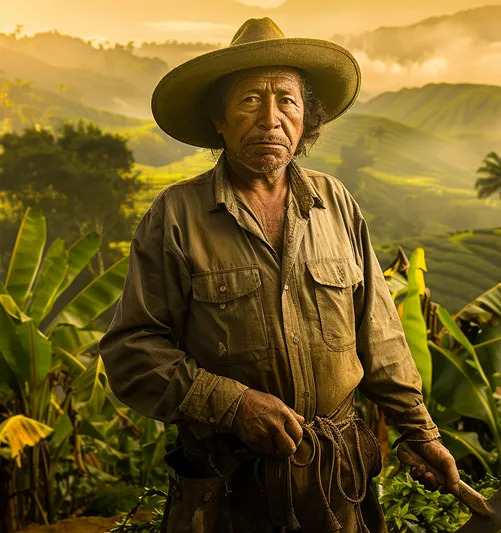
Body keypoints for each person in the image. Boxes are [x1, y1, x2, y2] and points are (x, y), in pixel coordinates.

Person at [98, 17, 459, 533]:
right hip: (227, 495)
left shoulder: (336, 204)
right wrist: (234, 404)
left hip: (337, 490)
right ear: (218, 118)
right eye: (249, 100)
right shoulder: (176, 214)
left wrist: (420, 433)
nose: (270, 118)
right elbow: (132, 351)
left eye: (286, 101)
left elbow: (380, 336)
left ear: (306, 119)